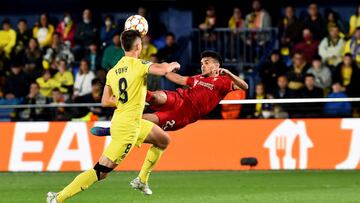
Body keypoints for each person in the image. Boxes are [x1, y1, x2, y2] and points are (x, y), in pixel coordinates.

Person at [46, 30, 180, 202]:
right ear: (139, 46)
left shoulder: (113, 71)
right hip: (128, 130)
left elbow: (105, 101)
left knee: (163, 140)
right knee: (100, 172)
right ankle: (58, 197)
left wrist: (130, 99)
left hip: (126, 120)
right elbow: (162, 69)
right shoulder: (139, 64)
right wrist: (172, 65)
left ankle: (141, 180)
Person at [91, 51, 248, 193]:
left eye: (206, 62)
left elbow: (244, 86)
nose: (203, 65)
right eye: (201, 63)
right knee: (156, 96)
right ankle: (128, 92)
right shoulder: (197, 79)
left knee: (145, 120)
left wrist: (228, 73)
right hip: (179, 98)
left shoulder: (224, 82)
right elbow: (179, 79)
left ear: (216, 65)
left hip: (184, 115)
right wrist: (166, 70)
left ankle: (110, 130)